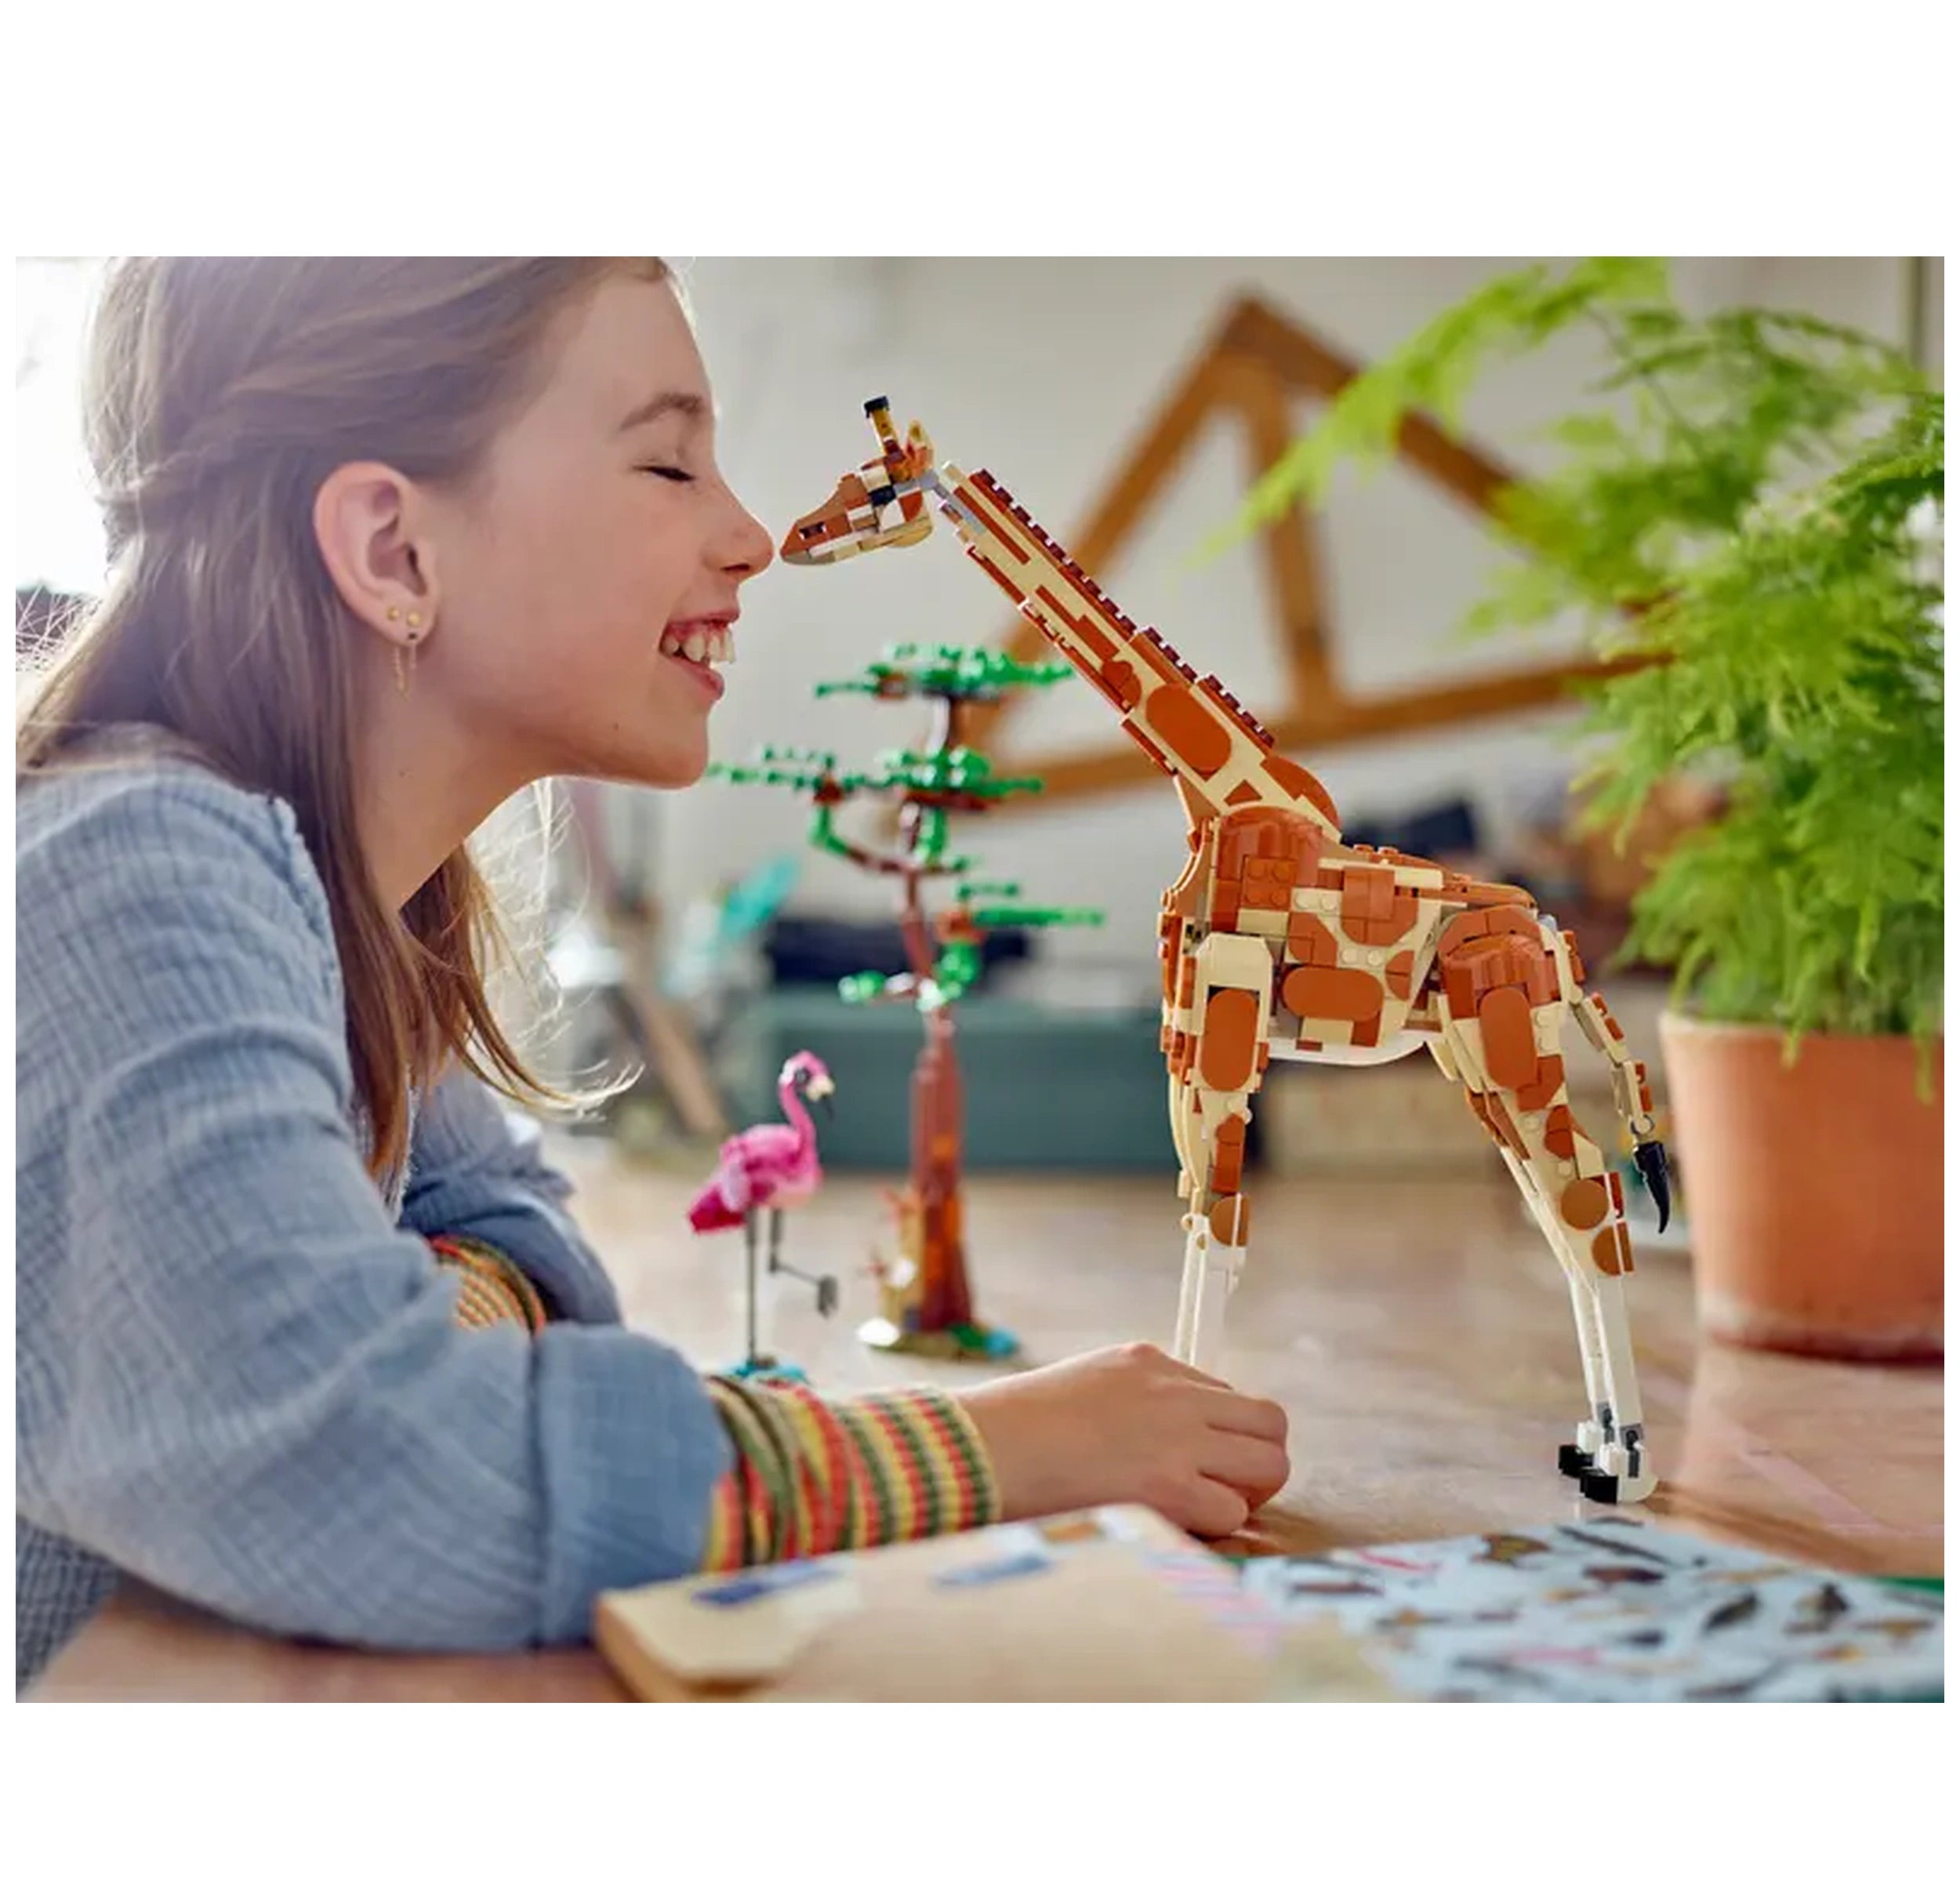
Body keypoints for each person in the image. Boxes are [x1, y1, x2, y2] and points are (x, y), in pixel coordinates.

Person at [14, 257, 1290, 1692]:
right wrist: (1009, 1446)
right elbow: (387, 1471)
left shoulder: (349, 896)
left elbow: (529, 1249)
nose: (749, 538)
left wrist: (450, 1331)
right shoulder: (133, 875)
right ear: (392, 549)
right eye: (669, 461)